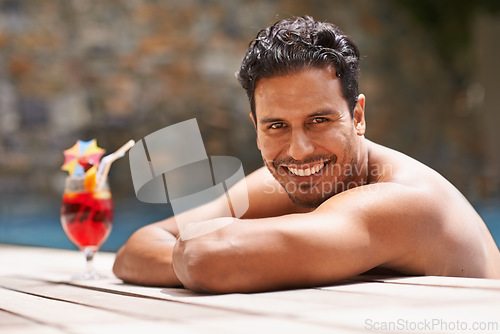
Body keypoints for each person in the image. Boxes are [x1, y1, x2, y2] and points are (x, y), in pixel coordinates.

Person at [113, 16, 500, 293]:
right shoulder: (297, 180)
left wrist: (244, 255)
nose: (298, 151)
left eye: (318, 120)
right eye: (276, 126)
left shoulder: (402, 201)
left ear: (358, 116)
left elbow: (206, 258)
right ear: (256, 126)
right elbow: (137, 248)